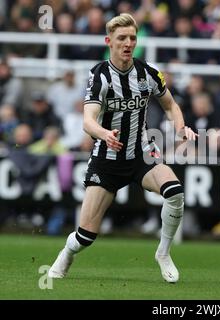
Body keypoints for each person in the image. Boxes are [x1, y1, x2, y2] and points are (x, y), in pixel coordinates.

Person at [48, 13, 197, 283]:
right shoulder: (99, 76)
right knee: (85, 237)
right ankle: (67, 253)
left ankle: (163, 253)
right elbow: (87, 121)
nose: (128, 43)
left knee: (174, 192)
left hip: (141, 153)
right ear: (109, 41)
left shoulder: (149, 73)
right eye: (121, 38)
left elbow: (171, 105)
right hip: (107, 158)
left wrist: (180, 127)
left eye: (132, 38)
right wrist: (104, 134)